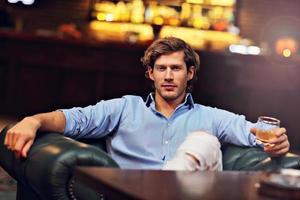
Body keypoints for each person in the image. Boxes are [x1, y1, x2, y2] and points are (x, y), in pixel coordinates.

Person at [3, 37, 289, 170]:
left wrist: (277, 139)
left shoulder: (210, 116)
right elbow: (72, 119)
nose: (167, 76)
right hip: (132, 193)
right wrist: (33, 121)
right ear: (150, 74)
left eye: (176, 69)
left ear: (189, 74)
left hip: (188, 195)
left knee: (204, 140)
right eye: (161, 68)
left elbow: (253, 131)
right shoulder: (124, 108)